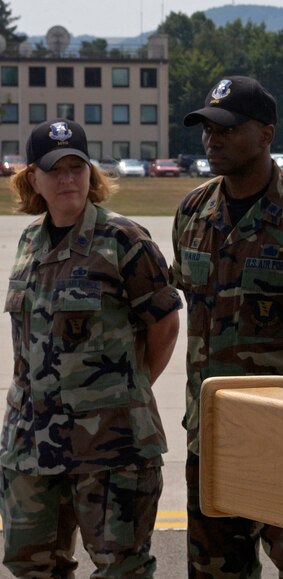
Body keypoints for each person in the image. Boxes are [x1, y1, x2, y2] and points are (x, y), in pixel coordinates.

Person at [172, 76, 283, 578]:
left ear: (267, 134)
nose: (213, 139)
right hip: (210, 437)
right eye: (207, 128)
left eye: (228, 128)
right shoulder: (191, 212)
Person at [0, 119, 181, 577]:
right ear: (32, 180)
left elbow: (164, 324)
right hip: (30, 446)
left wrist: (127, 391)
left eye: (76, 167)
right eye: (55, 169)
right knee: (30, 564)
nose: (67, 179)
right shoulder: (29, 242)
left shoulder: (124, 240)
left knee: (121, 567)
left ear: (90, 173)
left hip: (111, 447)